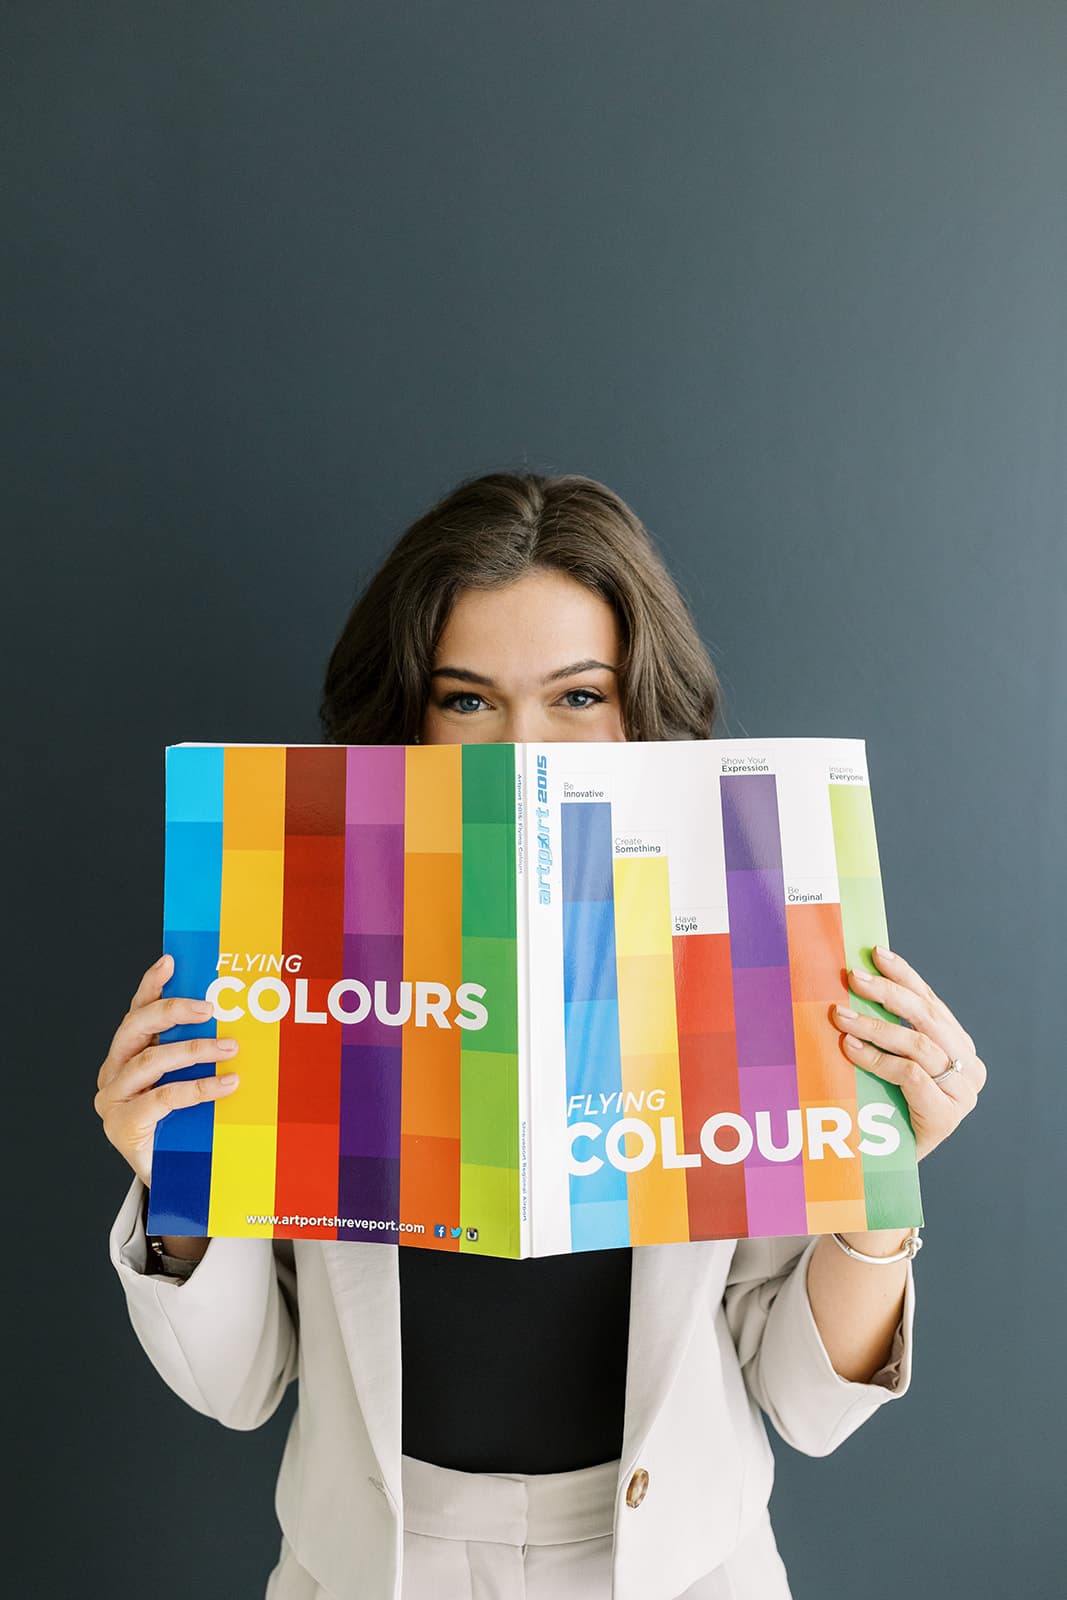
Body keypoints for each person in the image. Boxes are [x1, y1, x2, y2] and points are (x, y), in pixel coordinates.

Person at [96, 471, 986, 1600]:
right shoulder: (290, 935)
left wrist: (879, 1188)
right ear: (408, 714)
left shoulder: (742, 940)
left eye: (576, 696)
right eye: (466, 699)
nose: (523, 749)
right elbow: (238, 1385)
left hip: (683, 1571)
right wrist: (167, 1178)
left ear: (640, 705)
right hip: (369, 1567)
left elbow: (806, 1407)